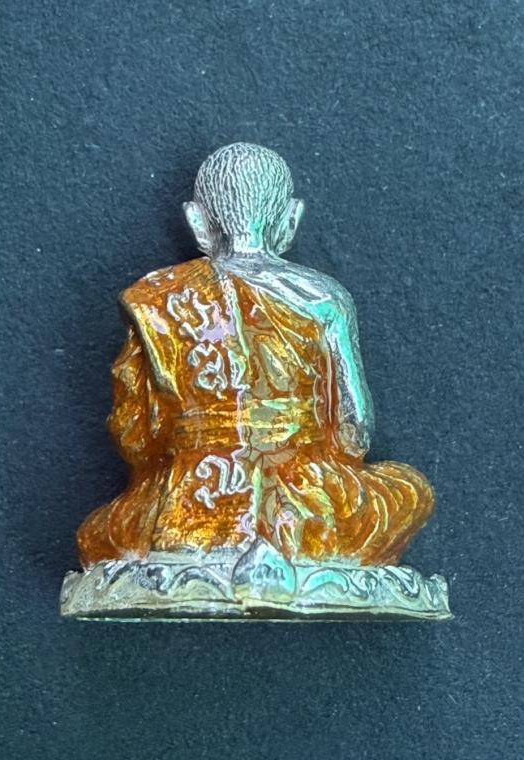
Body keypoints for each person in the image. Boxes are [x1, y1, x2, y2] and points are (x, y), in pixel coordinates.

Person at [77, 142, 434, 569]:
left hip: (182, 502)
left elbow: (135, 437)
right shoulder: (324, 301)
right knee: (408, 492)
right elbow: (354, 433)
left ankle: (202, 557)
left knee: (104, 536)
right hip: (306, 503)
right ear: (291, 219)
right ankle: (283, 558)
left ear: (196, 221)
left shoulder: (157, 300)